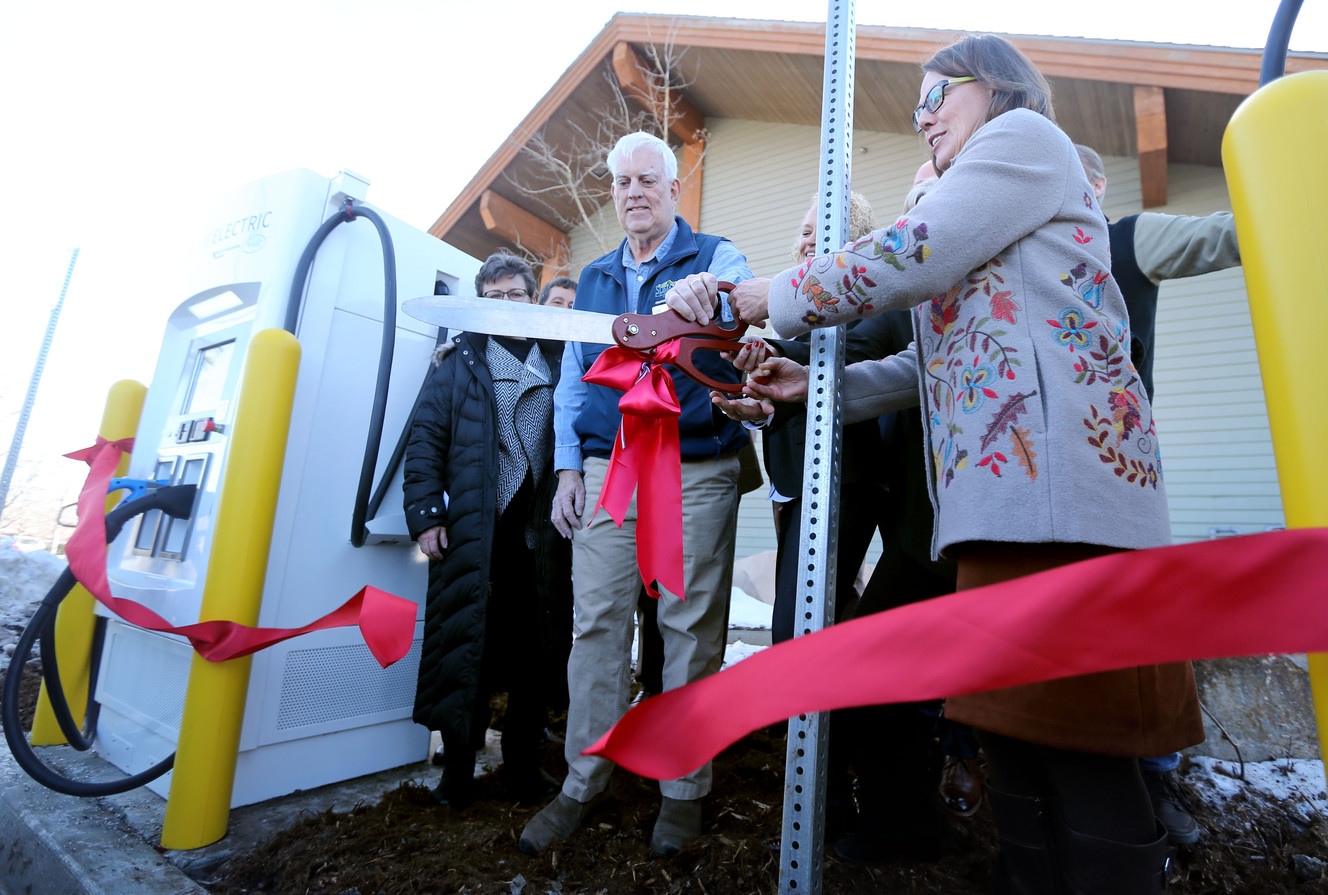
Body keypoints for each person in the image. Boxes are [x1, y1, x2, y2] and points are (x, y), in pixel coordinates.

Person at [670, 35, 1203, 894]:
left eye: (936, 97)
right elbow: (927, 370)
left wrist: (780, 291)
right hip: (1006, 509)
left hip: (1067, 505)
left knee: (1083, 744)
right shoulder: (992, 213)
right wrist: (812, 387)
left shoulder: (1026, 139)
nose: (921, 119)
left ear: (996, 88)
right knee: (1014, 737)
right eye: (915, 105)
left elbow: (912, 247)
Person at [518, 131, 754, 859]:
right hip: (606, 469)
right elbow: (569, 380)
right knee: (596, 624)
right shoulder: (590, 277)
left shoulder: (715, 256)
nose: (633, 193)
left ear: (673, 187)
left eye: (647, 179)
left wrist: (710, 297)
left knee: (689, 624)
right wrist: (565, 469)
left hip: (694, 466)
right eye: (622, 182)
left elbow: (746, 308)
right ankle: (582, 781)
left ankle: (683, 789)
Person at [1077, 142, 1241, 847]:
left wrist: (1287, 193)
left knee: (1142, 621)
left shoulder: (1131, 239)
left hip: (1122, 466)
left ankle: (1156, 772)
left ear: (1098, 186)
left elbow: (1220, 236)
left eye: (1078, 183)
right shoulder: (1023, 256)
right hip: (1036, 470)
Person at [404, 251, 572, 809]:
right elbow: (424, 440)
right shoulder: (457, 361)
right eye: (493, 297)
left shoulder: (559, 357)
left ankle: (522, 770)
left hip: (543, 537)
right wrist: (427, 516)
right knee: (463, 650)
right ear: (480, 303)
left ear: (533, 298)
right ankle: (456, 777)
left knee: (533, 655)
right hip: (475, 534)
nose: (505, 305)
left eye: (516, 294)